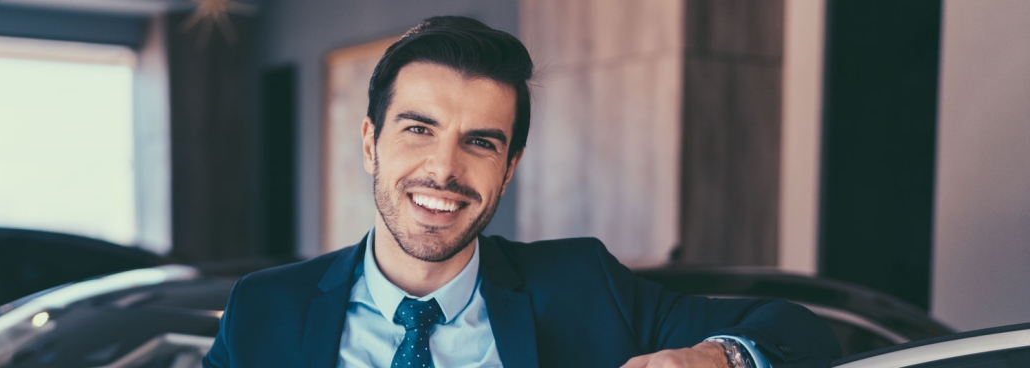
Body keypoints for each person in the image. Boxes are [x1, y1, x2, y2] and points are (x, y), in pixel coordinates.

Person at [205, 16, 839, 368]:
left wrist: (714, 361)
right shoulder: (265, 310)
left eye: (480, 142)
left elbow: (798, 330)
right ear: (371, 141)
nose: (444, 170)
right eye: (419, 129)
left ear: (510, 167)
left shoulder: (583, 284)